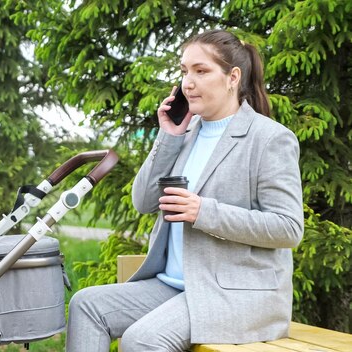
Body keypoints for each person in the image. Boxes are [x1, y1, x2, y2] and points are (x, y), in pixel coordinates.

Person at [66, 29, 304, 351]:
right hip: (175, 285)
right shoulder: (186, 133)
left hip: (237, 295)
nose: (187, 83)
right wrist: (168, 138)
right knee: (87, 304)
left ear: (232, 77)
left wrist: (203, 211)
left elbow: (288, 228)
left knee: (142, 340)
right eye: (184, 71)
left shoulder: (269, 138)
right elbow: (144, 201)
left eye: (201, 71)